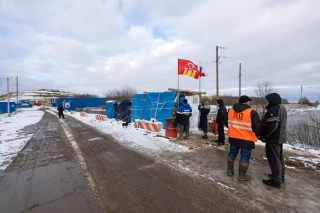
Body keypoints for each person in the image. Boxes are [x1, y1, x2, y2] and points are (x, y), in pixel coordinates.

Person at [225, 95, 260, 181]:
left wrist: (234, 129)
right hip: (247, 139)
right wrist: (258, 134)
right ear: (247, 102)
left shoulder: (230, 110)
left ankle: (230, 171)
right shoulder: (252, 112)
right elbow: (257, 128)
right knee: (245, 156)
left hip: (233, 137)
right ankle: (242, 176)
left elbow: (226, 122)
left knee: (232, 153)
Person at [260, 93, 287, 189]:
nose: (267, 102)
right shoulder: (281, 108)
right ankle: (280, 176)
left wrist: (264, 136)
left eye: (268, 100)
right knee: (279, 157)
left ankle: (276, 180)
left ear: (272, 100)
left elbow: (272, 126)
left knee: (273, 158)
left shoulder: (274, 110)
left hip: (274, 138)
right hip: (279, 138)